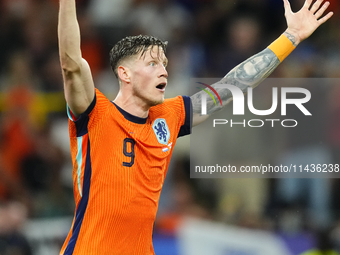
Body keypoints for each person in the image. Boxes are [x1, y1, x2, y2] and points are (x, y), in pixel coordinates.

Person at [57, 0, 333, 254]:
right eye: (152, 63)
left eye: (164, 64)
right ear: (124, 73)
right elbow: (71, 63)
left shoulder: (170, 115)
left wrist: (291, 37)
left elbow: (233, 85)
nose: (164, 70)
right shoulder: (96, 113)